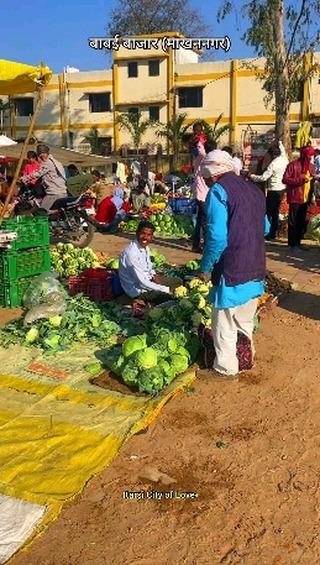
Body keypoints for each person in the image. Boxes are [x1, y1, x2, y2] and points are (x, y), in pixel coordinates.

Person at [199, 149, 269, 379]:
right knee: (244, 320)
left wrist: (206, 267)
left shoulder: (218, 191)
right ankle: (245, 359)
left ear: (211, 173)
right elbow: (266, 228)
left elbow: (217, 237)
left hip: (232, 268)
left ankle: (226, 368)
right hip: (256, 265)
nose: (205, 181)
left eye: (205, 177)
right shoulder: (254, 190)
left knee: (224, 323)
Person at [119, 220, 171, 299]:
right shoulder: (131, 254)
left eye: (149, 235)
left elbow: (148, 266)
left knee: (177, 281)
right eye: (143, 233)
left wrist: (153, 275)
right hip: (137, 290)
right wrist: (165, 289)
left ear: (152, 237)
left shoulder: (145, 247)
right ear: (137, 233)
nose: (145, 237)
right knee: (169, 297)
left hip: (148, 280)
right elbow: (142, 281)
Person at [249, 141, 288, 240]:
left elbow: (263, 178)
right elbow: (283, 151)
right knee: (275, 212)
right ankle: (273, 232)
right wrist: (279, 142)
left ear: (273, 155)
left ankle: (268, 232)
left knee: (269, 212)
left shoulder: (273, 165)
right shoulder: (284, 159)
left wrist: (252, 176)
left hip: (273, 191)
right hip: (282, 189)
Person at [282, 146, 316, 250]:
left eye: (311, 155)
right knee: (293, 221)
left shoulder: (311, 167)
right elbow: (285, 179)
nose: (310, 157)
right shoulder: (293, 165)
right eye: (309, 155)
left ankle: (298, 242)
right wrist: (300, 180)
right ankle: (292, 244)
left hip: (306, 198)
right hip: (295, 197)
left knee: (301, 221)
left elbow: (312, 180)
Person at [20, 144, 68, 211]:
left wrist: (25, 178)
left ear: (47, 153)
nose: (42, 155)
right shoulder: (56, 162)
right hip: (63, 193)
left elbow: (38, 173)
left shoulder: (48, 163)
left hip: (54, 194)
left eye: (43, 153)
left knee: (41, 212)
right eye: (40, 154)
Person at [191, 130, 211, 252]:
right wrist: (200, 141)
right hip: (202, 194)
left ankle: (196, 244)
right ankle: (206, 245)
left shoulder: (201, 159)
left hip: (202, 193)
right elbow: (201, 151)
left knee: (200, 220)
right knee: (205, 221)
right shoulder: (202, 158)